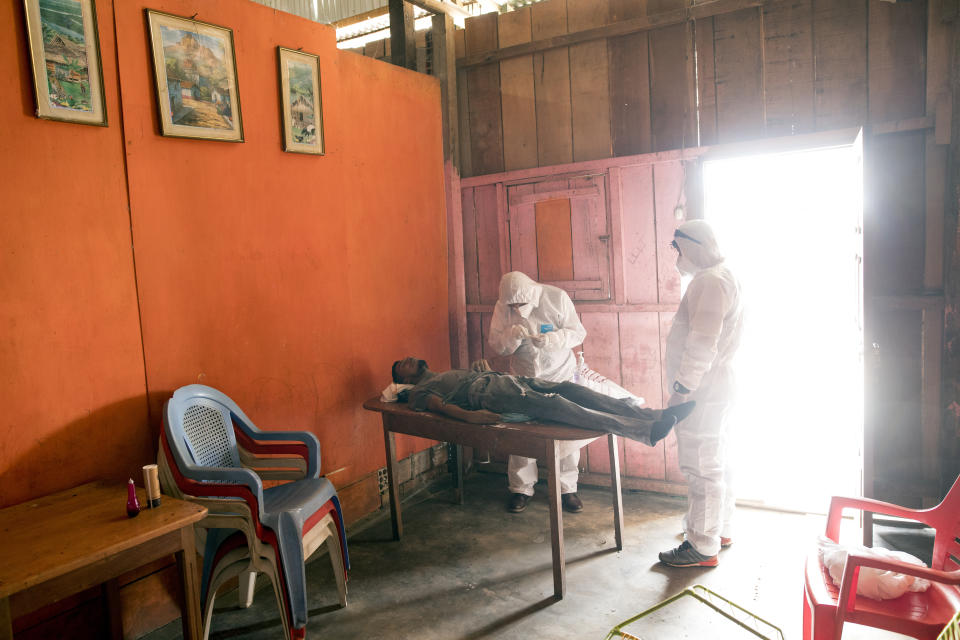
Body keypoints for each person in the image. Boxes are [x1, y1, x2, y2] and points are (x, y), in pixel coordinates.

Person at [658, 220, 744, 569]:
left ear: (692, 247)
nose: (677, 256)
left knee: (700, 465)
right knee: (715, 458)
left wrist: (680, 391)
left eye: (678, 248)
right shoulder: (721, 276)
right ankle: (717, 530)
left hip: (702, 390)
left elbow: (701, 345)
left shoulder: (709, 282)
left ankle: (702, 547)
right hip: (714, 385)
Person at [390, 357, 696, 448]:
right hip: (489, 395)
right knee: (556, 405)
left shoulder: (441, 371)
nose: (407, 359)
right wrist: (472, 419)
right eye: (401, 364)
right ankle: (643, 431)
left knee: (567, 388)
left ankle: (653, 415)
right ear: (404, 380)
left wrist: (478, 371)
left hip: (502, 380)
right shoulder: (418, 393)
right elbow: (440, 407)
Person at [487, 272, 588, 514]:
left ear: (531, 295)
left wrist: (554, 339)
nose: (516, 308)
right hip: (523, 378)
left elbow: (578, 332)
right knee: (521, 432)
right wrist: (510, 336)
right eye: (512, 305)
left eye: (519, 304)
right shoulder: (503, 306)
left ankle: (567, 489)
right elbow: (497, 345)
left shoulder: (556, 298)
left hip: (559, 375)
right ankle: (521, 489)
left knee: (566, 431)